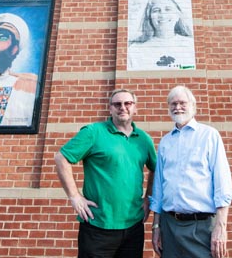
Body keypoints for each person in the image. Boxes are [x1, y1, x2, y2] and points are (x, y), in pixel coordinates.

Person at [54, 89, 157, 258]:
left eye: (128, 103)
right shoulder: (93, 132)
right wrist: (74, 196)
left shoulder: (144, 139)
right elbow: (61, 158)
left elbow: (155, 168)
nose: (122, 107)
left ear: (135, 108)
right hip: (98, 226)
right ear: (110, 109)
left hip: (133, 227)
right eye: (117, 104)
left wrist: (148, 198)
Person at [150, 85, 232, 258]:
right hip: (169, 225)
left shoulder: (209, 135)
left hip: (201, 226)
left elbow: (222, 182)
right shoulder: (165, 142)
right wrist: (156, 226)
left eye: (182, 103)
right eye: (173, 104)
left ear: (193, 106)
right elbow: (158, 188)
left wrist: (221, 226)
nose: (177, 107)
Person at [128, 0, 195, 70]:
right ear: (149, 17)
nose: (162, 15)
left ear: (178, 16)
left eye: (168, 9)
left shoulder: (191, 45)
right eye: (156, 10)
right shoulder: (134, 50)